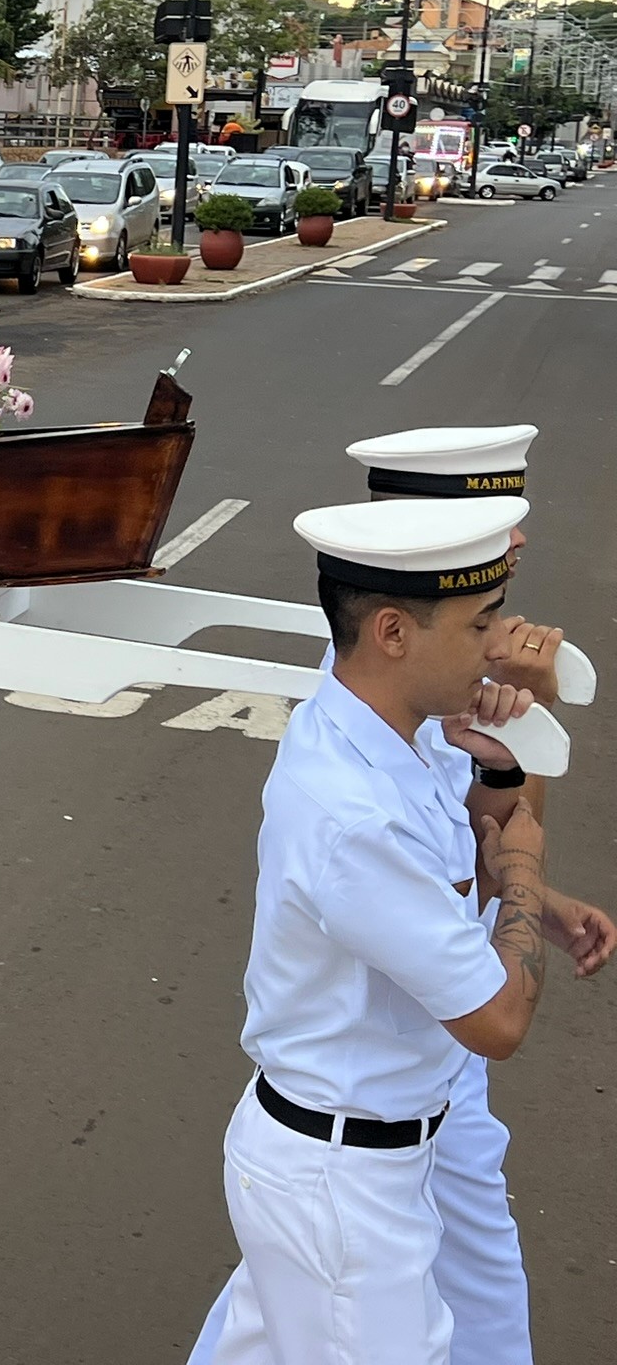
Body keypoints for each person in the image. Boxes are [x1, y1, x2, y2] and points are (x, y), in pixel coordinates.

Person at [186, 426, 613, 1365]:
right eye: (479, 615)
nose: (498, 633)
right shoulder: (353, 804)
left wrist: (525, 877)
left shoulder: (388, 715)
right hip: (352, 1155)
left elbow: (457, 845)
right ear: (393, 626)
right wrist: (527, 872)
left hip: (365, 1126)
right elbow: (499, 1018)